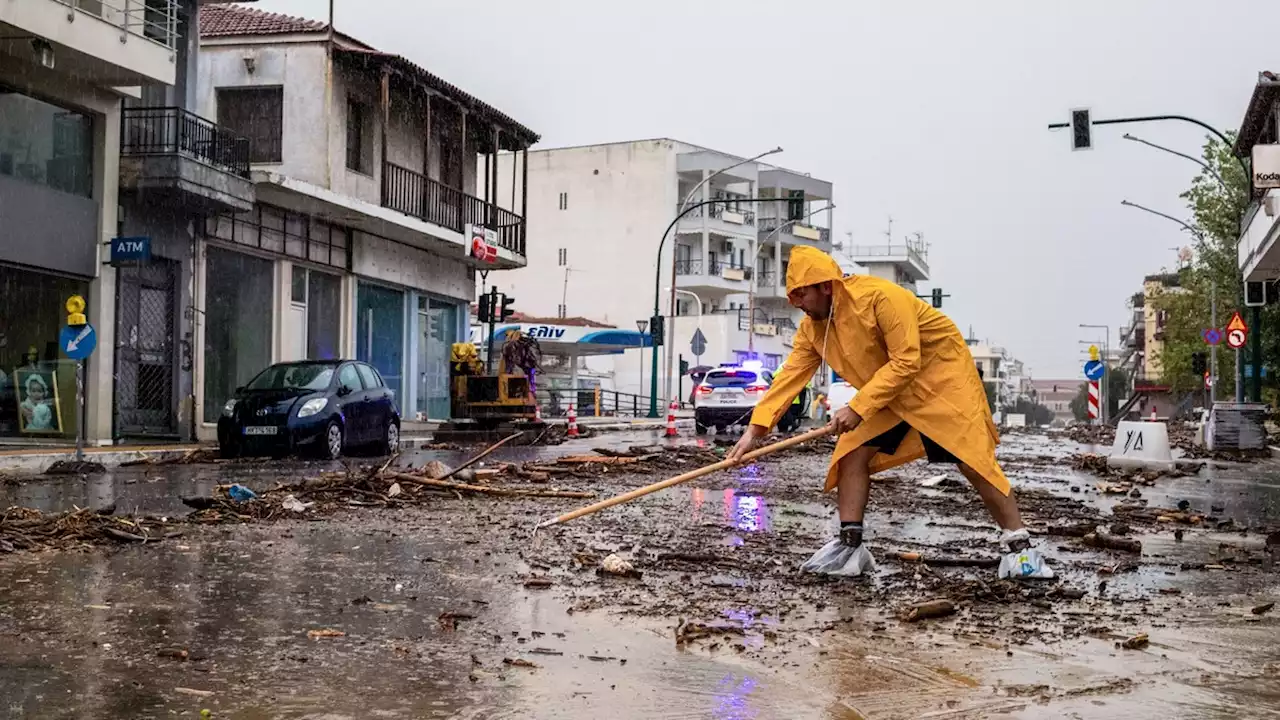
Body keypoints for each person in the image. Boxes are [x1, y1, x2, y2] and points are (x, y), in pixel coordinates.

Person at [725, 246, 1050, 579]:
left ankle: (1020, 550)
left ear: (826, 285)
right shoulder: (813, 329)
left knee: (972, 459)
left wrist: (859, 407)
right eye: (792, 295)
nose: (797, 303)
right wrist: (755, 431)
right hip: (890, 392)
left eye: (801, 293)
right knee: (851, 453)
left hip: (940, 382)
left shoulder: (882, 298)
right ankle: (850, 547)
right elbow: (790, 376)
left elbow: (908, 361)